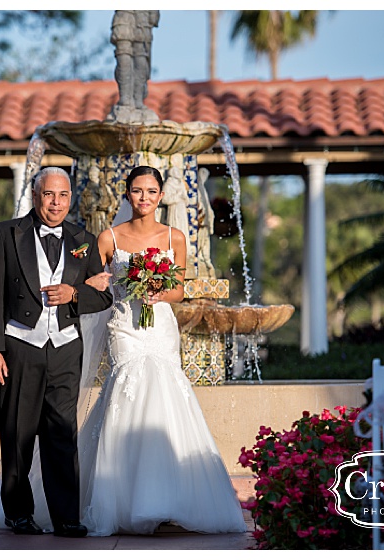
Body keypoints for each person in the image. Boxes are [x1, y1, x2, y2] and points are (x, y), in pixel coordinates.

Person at [80, 166, 246, 535]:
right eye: (137, 191)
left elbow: (179, 289)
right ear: (127, 194)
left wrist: (158, 291)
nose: (144, 198)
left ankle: (169, 499)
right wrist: (100, 283)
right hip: (125, 326)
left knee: (166, 393)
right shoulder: (108, 238)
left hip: (160, 326)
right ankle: (120, 499)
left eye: (151, 191)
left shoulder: (175, 237)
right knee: (126, 387)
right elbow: (91, 282)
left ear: (159, 196)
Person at [0, 167, 113, 538]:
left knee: (62, 434)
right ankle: (18, 513)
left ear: (71, 197)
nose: (56, 203)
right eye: (49, 194)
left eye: (63, 195)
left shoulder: (84, 238)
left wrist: (74, 294)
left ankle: (67, 517)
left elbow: (104, 295)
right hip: (20, 345)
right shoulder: (5, 233)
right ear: (36, 196)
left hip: (65, 348)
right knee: (18, 432)